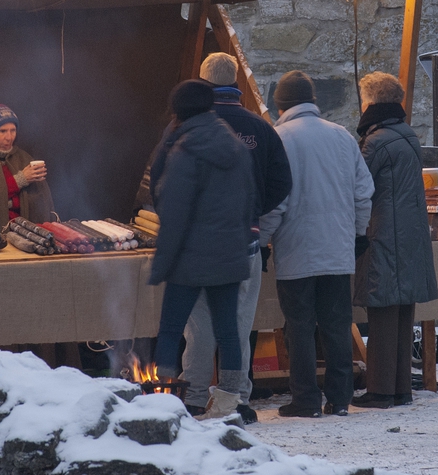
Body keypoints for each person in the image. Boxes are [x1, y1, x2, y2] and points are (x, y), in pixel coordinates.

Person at [179, 53, 293, 424]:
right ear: (236, 83)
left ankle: (194, 399)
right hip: (244, 243)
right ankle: (236, 401)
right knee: (239, 326)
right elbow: (282, 183)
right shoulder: (260, 129)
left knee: (198, 328)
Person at [260, 71, 374, 418]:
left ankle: (305, 399)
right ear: (312, 100)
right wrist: (356, 234)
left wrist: (262, 241)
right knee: (337, 326)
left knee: (300, 328)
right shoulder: (341, 137)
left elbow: (274, 201)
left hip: (296, 251)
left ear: (280, 104)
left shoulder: (278, 139)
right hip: (338, 250)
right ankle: (340, 399)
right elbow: (363, 194)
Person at [148, 80, 257, 420]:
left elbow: (174, 214)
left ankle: (162, 403)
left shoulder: (184, 151)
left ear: (178, 112)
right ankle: (228, 403)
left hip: (190, 259)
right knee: (229, 331)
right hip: (229, 253)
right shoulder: (236, 148)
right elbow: (249, 201)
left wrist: (161, 264)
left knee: (170, 329)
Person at [350, 72, 438, 410]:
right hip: (409, 235)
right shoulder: (406, 135)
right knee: (402, 313)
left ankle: (381, 390)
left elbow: (357, 184)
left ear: (370, 102)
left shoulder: (376, 142)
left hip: (384, 234)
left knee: (383, 313)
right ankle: (400, 388)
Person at [0, 103, 54, 232]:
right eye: (2, 131)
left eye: (13, 130)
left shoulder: (23, 159)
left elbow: (40, 203)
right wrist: (21, 180)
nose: (9, 137)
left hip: (25, 235)